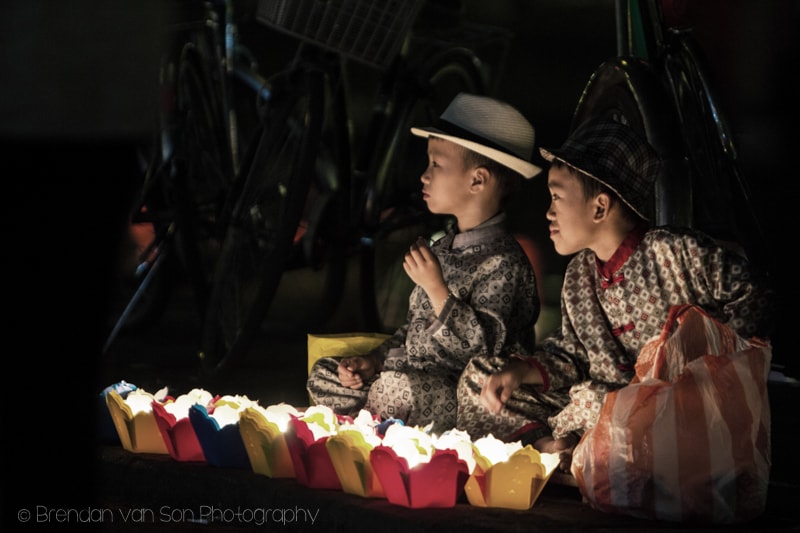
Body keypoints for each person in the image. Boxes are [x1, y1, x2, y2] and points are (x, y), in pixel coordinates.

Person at [457, 117, 774, 467]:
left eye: (557, 197)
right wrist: (518, 372)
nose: (548, 212)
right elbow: (573, 357)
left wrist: (703, 370)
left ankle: (576, 451)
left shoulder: (675, 251)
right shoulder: (579, 273)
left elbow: (754, 291)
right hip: (600, 407)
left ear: (600, 207)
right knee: (481, 377)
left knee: (598, 400)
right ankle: (550, 447)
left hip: (675, 412)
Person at [307, 93, 543, 433]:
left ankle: (375, 420)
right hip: (407, 377)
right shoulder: (443, 247)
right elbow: (412, 332)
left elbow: (484, 351)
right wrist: (371, 362)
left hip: (457, 391)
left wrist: (437, 290)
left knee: (399, 389)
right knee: (326, 374)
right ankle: (379, 414)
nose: (424, 176)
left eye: (437, 164)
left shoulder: (505, 261)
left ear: (477, 180)